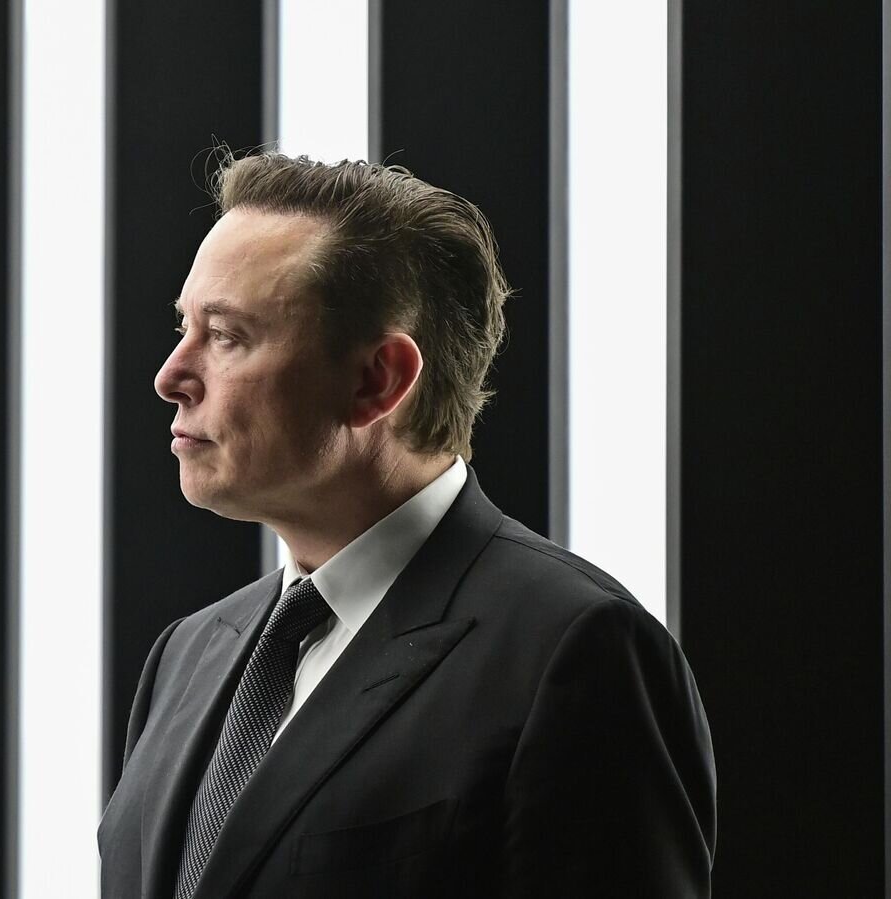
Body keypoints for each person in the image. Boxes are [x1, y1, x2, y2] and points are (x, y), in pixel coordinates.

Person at [98, 151, 715, 898]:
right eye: (183, 326)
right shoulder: (186, 654)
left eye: (226, 335)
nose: (170, 375)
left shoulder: (575, 652)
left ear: (378, 380)